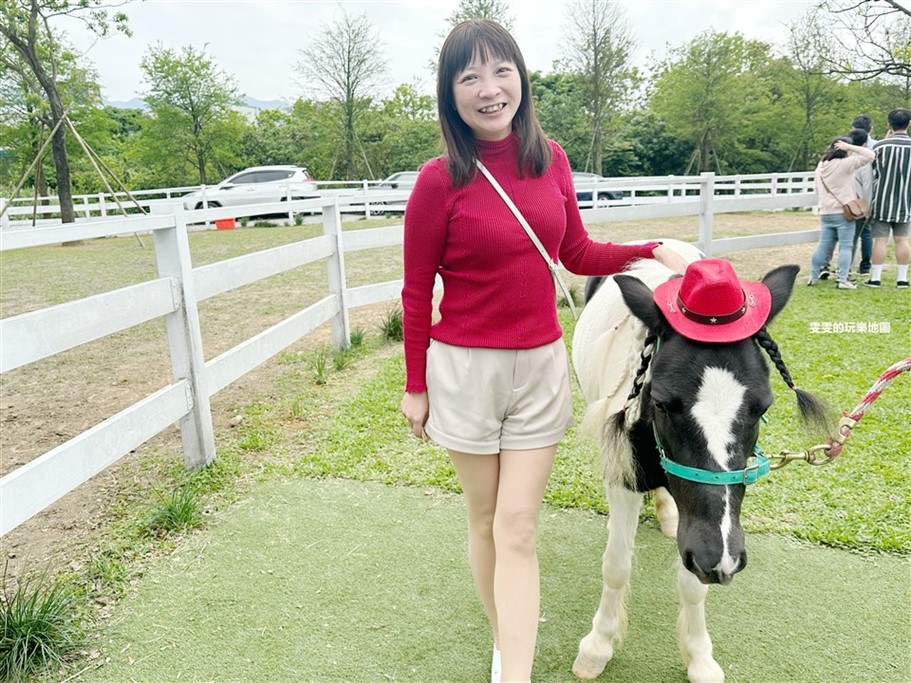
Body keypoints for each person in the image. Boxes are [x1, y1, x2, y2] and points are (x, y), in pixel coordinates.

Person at [399, 19, 687, 683]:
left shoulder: (550, 157)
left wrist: (648, 248)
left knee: (519, 525)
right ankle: (508, 642)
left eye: (500, 70)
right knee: (485, 519)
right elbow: (417, 292)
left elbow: (576, 252)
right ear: (450, 95)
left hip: (538, 367)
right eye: (467, 76)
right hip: (464, 369)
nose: (488, 88)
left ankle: (513, 671)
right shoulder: (438, 180)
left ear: (520, 78)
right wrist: (415, 385)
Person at [808, 135, 874, 289]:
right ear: (844, 149)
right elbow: (870, 155)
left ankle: (813, 276)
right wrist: (850, 147)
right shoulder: (846, 164)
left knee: (823, 245)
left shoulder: (821, 165)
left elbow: (816, 189)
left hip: (825, 212)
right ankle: (843, 279)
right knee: (845, 246)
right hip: (844, 212)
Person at [865, 108, 911, 288]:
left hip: (882, 200)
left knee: (880, 240)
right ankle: (902, 279)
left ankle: (875, 278)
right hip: (906, 202)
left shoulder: (880, 147)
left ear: (889, 124)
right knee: (902, 240)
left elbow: (873, 171)